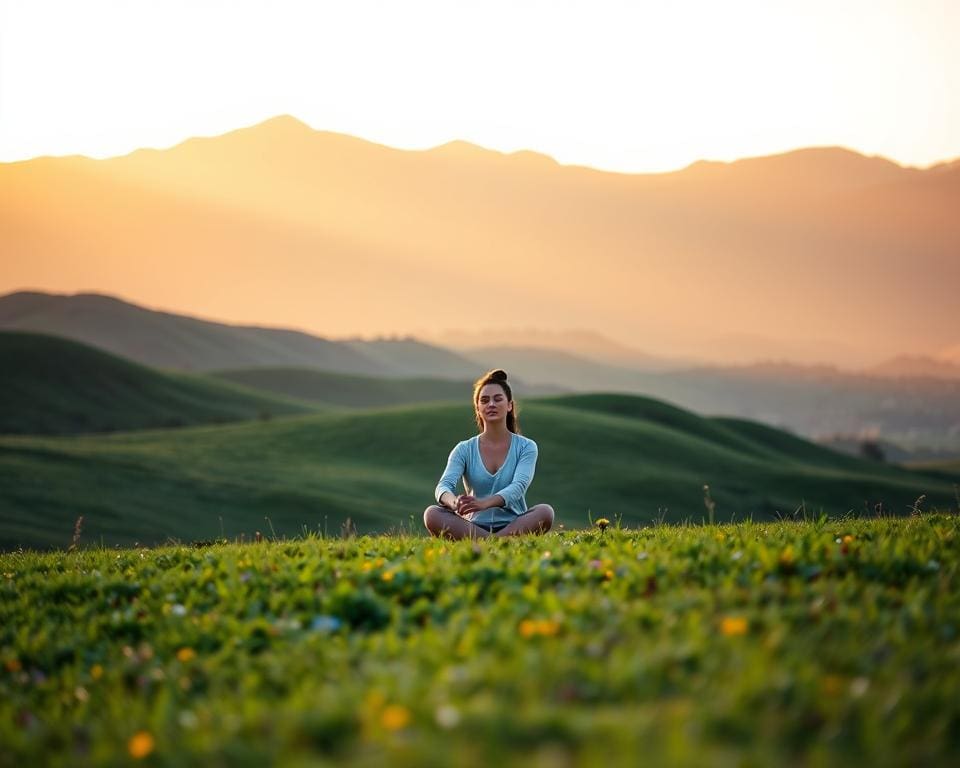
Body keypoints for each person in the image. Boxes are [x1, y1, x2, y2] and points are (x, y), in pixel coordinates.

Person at [424, 369, 555, 539]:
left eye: (497, 399)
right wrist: (454, 502)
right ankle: (500, 541)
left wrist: (484, 503)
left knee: (545, 512)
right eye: (484, 401)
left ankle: (485, 542)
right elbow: (443, 486)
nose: (491, 404)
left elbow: (518, 486)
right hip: (472, 526)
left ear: (509, 405)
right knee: (432, 514)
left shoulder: (526, 447)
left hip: (514, 523)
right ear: (478, 408)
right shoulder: (464, 449)